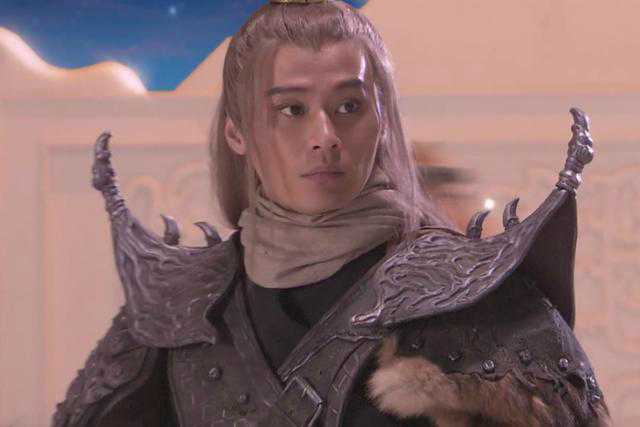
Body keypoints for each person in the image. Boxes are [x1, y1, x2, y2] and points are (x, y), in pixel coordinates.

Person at [53, 0, 611, 426]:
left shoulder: (479, 300)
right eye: (291, 109)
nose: (324, 136)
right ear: (237, 132)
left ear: (382, 119)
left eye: (348, 106)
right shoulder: (177, 312)